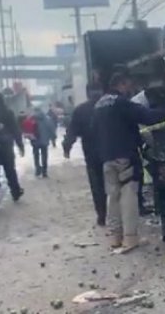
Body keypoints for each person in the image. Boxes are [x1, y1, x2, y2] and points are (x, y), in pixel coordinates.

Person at [92, 72, 165, 253]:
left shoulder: (99, 104)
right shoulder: (121, 103)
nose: (130, 90)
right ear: (121, 84)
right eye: (128, 86)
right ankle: (130, 238)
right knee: (128, 195)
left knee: (112, 196)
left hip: (106, 157)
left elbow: (94, 131)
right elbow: (146, 116)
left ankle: (115, 237)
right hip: (124, 155)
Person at [63, 84, 106, 226]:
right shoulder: (109, 106)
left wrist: (67, 147)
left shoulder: (80, 110)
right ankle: (115, 215)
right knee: (115, 184)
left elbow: (72, 131)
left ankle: (102, 214)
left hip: (92, 154)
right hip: (111, 152)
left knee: (97, 185)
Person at [28, 107, 56, 177]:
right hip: (44, 140)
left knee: (36, 155)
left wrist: (29, 137)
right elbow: (51, 128)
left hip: (35, 140)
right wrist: (53, 137)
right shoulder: (47, 119)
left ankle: (37, 168)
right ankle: (44, 171)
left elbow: (27, 129)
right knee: (44, 155)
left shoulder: (31, 118)